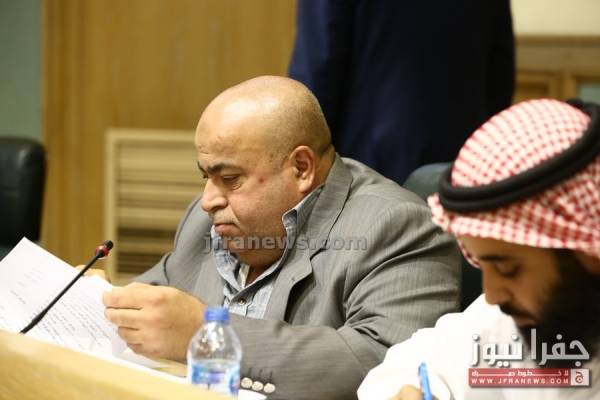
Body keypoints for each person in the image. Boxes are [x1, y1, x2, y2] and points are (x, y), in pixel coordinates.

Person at [102, 76, 461, 399]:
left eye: (230, 179)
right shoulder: (205, 221)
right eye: (205, 176)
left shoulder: (396, 225)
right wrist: (99, 298)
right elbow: (155, 303)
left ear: (301, 168)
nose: (208, 200)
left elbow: (386, 360)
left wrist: (208, 335)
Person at [357, 98, 600, 400]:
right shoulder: (515, 318)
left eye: (508, 269)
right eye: (481, 264)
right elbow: (414, 364)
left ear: (588, 251)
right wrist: (413, 391)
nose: (493, 294)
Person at [288, 0, 515, 184]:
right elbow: (500, 70)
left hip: (370, 161)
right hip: (467, 155)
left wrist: (297, 161)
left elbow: (317, 72)